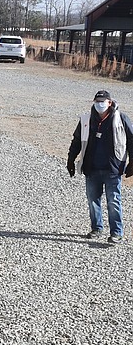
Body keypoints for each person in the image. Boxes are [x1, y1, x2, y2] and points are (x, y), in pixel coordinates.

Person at [67, 90, 133, 243]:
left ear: (110, 102)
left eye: (103, 101)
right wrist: (71, 158)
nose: (100, 104)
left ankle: (116, 232)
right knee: (93, 200)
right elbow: (77, 140)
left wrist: (132, 162)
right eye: (97, 101)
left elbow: (131, 139)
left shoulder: (121, 118)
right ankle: (97, 228)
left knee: (114, 201)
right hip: (92, 168)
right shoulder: (86, 119)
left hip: (113, 168)